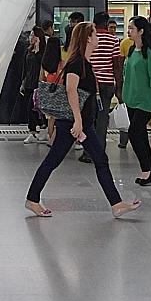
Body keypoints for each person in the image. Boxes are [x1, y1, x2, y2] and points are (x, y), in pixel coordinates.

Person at [23, 21, 140, 219]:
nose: (98, 38)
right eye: (95, 34)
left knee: (96, 159)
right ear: (87, 38)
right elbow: (71, 89)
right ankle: (32, 199)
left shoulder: (83, 61)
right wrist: (78, 121)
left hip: (79, 123)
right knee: (57, 160)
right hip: (73, 123)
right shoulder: (77, 62)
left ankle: (116, 204)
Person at [119, 15, 151, 185]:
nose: (128, 30)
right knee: (141, 135)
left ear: (141, 31)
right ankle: (148, 171)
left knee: (134, 133)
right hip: (131, 99)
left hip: (145, 101)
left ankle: (146, 170)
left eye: (131, 28)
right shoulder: (131, 51)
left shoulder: (150, 54)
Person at [84, 12, 122, 163]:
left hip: (90, 84)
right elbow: (117, 65)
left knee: (88, 118)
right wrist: (118, 87)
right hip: (107, 84)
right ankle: (99, 152)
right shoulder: (114, 40)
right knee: (102, 119)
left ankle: (88, 152)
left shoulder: (89, 39)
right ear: (106, 24)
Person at [19, 23, 51, 144]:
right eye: (31, 35)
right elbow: (25, 68)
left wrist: (38, 49)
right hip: (29, 83)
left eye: (34, 35)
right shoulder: (28, 51)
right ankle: (35, 130)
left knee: (36, 108)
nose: (31, 38)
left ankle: (41, 129)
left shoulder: (42, 52)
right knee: (30, 108)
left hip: (38, 85)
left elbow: (42, 65)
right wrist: (22, 81)